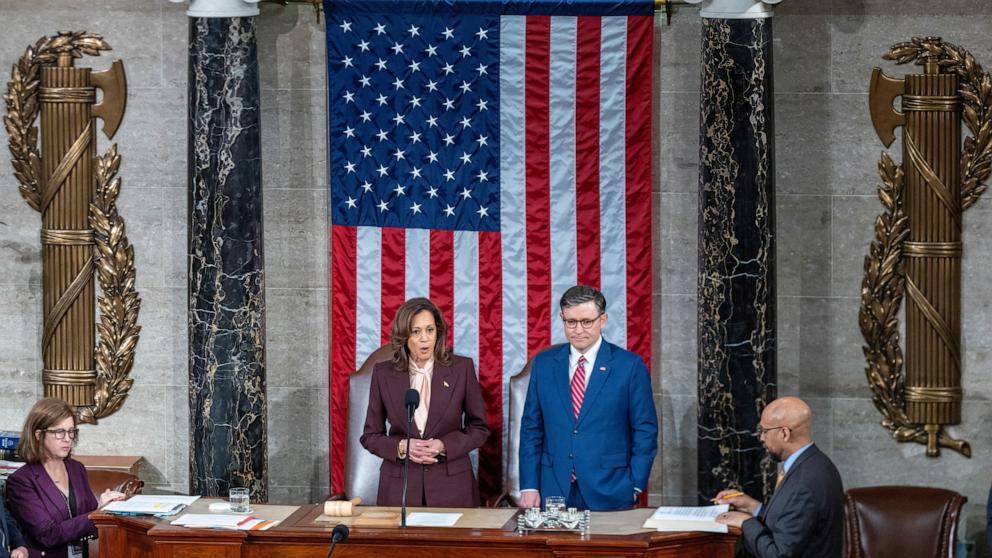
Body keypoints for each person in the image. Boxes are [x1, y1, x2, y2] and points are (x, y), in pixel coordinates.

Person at [518, 285, 658, 512]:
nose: (578, 330)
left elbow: (645, 430)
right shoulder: (544, 364)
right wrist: (530, 485)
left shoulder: (629, 366)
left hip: (611, 489)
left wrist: (634, 486)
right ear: (562, 318)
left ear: (603, 320)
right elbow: (531, 428)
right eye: (570, 322)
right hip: (552, 489)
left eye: (586, 321)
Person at [360, 297, 490, 507]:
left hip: (452, 487)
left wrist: (443, 445)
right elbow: (370, 436)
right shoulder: (383, 374)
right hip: (400, 488)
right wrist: (402, 447)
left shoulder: (461, 369)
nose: (424, 339)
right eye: (416, 331)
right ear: (404, 336)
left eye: (430, 330)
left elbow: (479, 428)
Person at [714, 396, 843, 558]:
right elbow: (790, 524)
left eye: (764, 431)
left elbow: (778, 554)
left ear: (784, 433)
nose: (761, 438)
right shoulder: (817, 463)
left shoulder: (805, 482)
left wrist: (745, 522)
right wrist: (753, 507)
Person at [5, 398, 125, 558]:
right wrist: (96, 515)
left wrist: (104, 507)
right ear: (39, 435)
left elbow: (91, 522)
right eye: (59, 432)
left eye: (71, 431)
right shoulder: (21, 481)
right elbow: (48, 535)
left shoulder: (76, 468)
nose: (68, 438)